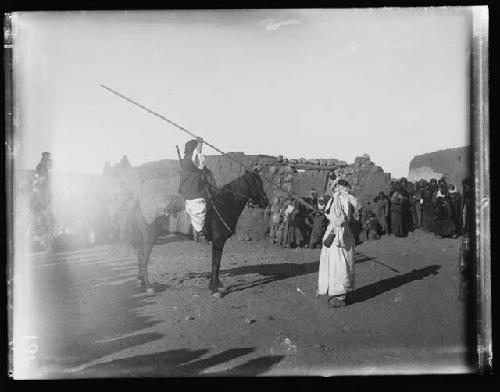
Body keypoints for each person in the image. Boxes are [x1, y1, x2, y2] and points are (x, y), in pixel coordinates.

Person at [317, 178, 359, 308]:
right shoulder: (345, 199)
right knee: (338, 265)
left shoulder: (342, 199)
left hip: (339, 236)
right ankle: (338, 295)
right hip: (340, 235)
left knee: (339, 266)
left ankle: (339, 297)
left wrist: (327, 211)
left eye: (336, 186)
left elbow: (338, 218)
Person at [178, 138, 209, 243]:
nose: (200, 148)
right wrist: (198, 147)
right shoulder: (189, 161)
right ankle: (199, 234)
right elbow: (199, 163)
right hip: (192, 190)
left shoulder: (190, 160)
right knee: (198, 208)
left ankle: (200, 232)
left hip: (195, 188)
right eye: (198, 146)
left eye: (201, 146)